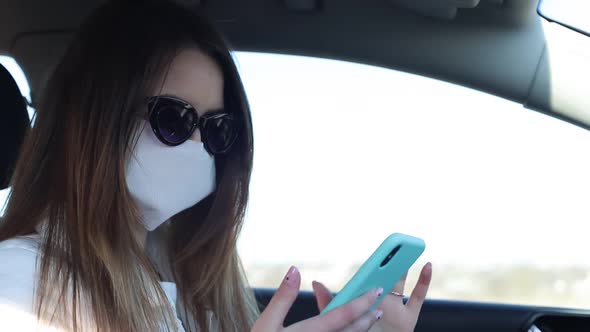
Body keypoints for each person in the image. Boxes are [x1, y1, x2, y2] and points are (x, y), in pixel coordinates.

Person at [0, 1, 432, 331]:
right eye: (173, 119)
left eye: (216, 131)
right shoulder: (17, 283)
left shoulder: (186, 284)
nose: (198, 145)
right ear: (96, 119)